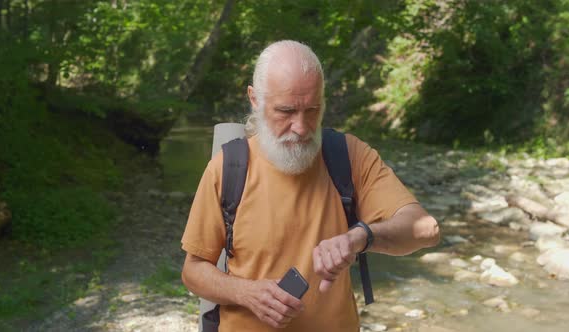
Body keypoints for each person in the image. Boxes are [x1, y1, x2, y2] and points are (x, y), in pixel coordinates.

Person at [181, 40, 440, 331]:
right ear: (255, 99)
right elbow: (193, 271)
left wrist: (361, 237)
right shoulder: (229, 167)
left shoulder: (349, 156)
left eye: (313, 109)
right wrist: (246, 293)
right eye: (286, 111)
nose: (302, 127)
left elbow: (426, 229)